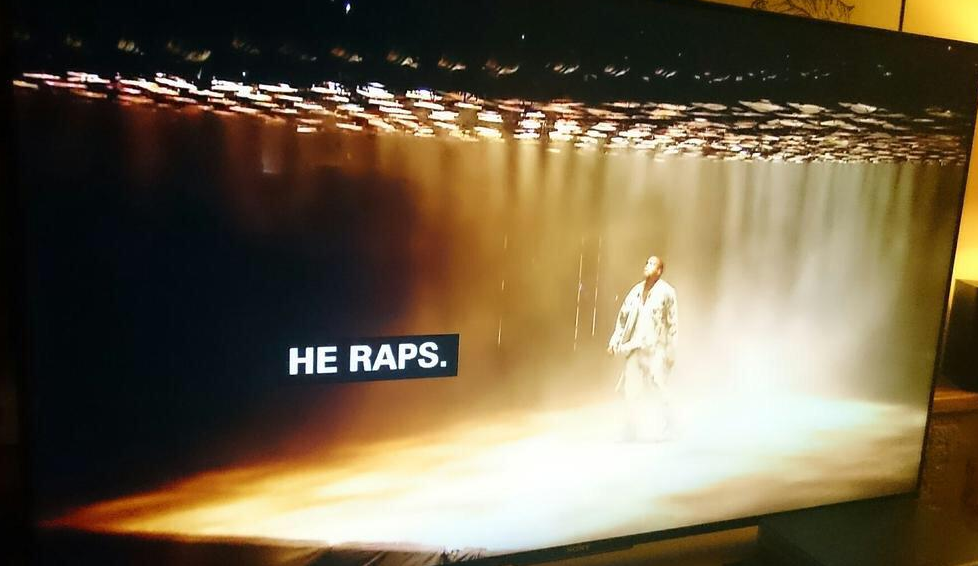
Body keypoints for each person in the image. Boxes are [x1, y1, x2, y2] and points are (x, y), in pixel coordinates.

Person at [607, 255, 678, 441]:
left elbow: (672, 323)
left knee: (658, 385)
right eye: (646, 262)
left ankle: (669, 425)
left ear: (659, 271)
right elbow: (622, 319)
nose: (647, 265)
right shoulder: (635, 292)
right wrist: (614, 341)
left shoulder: (667, 292)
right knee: (629, 389)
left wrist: (671, 349)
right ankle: (631, 429)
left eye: (652, 264)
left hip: (655, 348)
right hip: (635, 346)